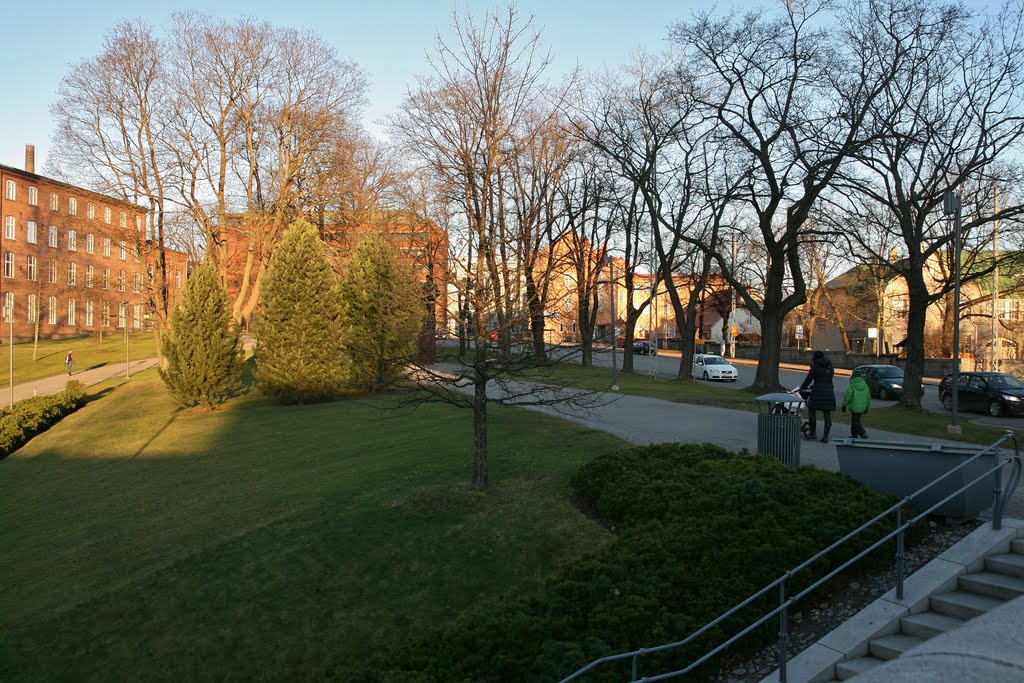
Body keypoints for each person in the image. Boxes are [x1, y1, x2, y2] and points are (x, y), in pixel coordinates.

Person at [799, 350, 836, 442]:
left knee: (812, 411)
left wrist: (802, 388)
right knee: (827, 413)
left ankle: (812, 434)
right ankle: (825, 437)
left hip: (817, 392)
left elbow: (808, 379)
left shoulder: (815, 367)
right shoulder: (830, 367)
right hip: (829, 392)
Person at [842, 367, 871, 439]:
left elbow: (847, 396)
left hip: (854, 406)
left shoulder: (851, 384)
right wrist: (867, 406)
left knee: (855, 421)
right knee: (856, 420)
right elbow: (868, 396)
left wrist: (844, 404)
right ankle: (854, 434)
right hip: (863, 406)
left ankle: (862, 433)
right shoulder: (865, 384)